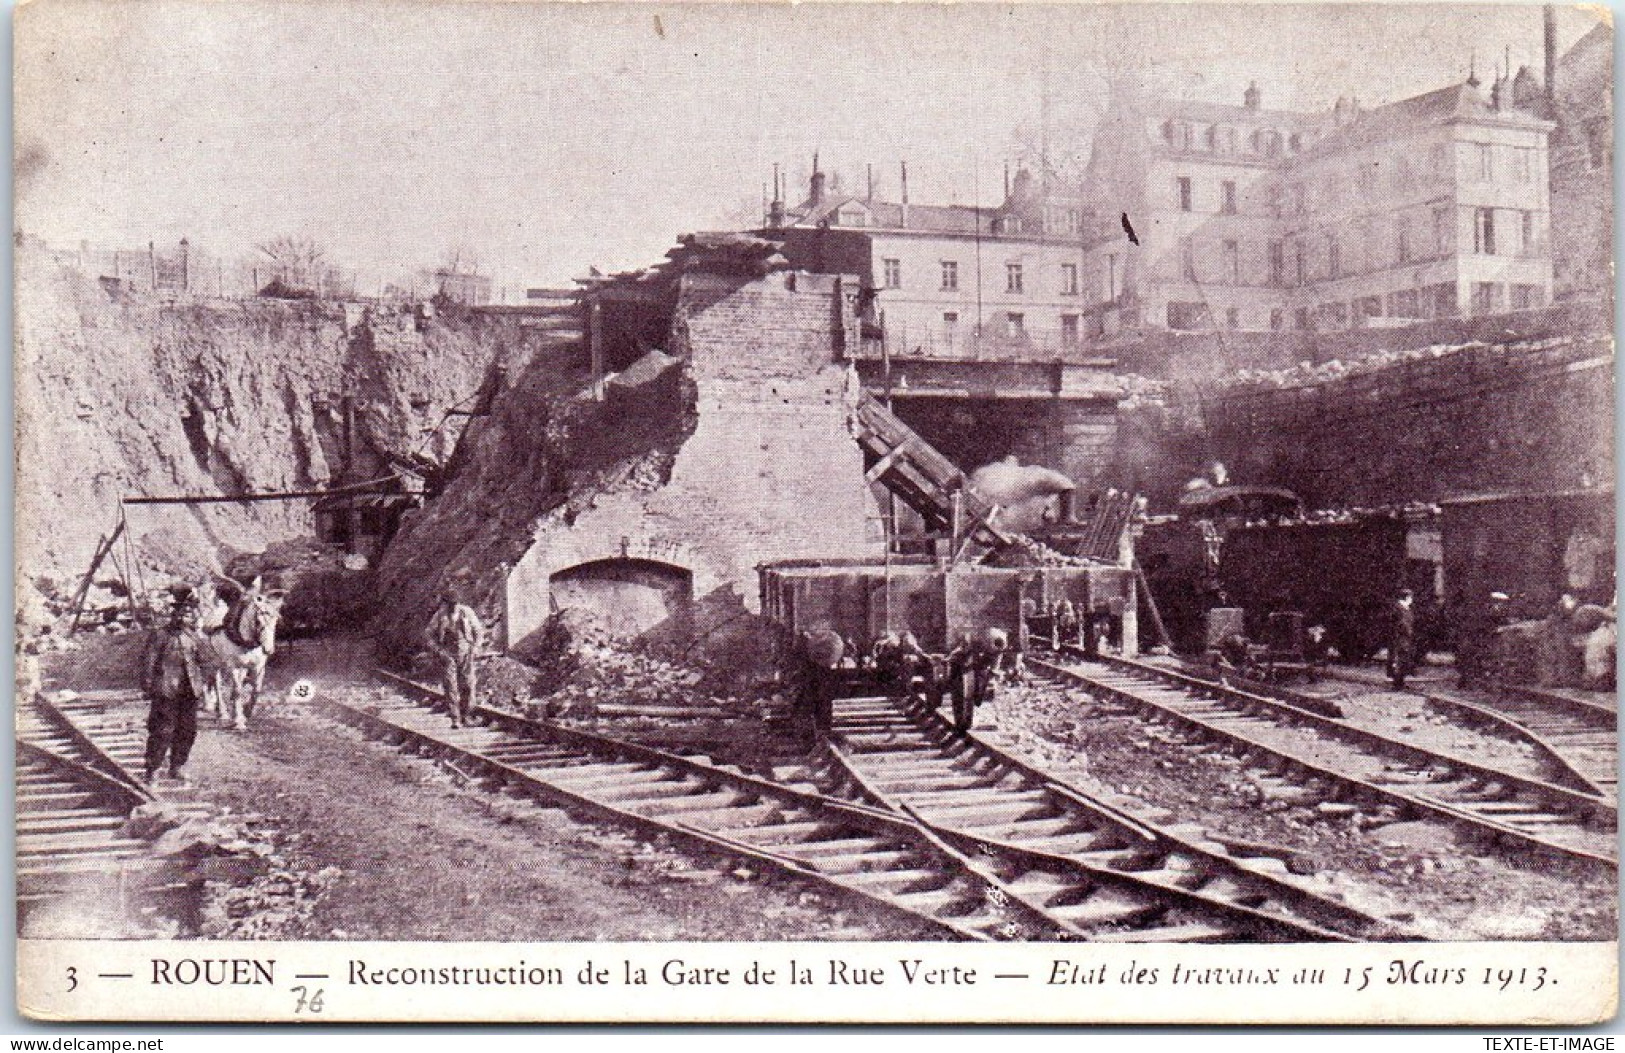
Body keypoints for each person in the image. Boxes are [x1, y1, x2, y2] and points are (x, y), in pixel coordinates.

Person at [140, 586, 207, 785]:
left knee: (188, 730)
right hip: (165, 689)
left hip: (189, 690)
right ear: (173, 614)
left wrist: (203, 682)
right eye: (180, 613)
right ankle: (152, 769)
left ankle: (177, 766)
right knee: (162, 730)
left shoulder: (193, 636)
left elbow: (205, 660)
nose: (184, 617)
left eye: (188, 613)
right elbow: (148, 661)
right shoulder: (160, 635)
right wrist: (147, 685)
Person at [425, 588, 486, 727]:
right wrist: (439, 650)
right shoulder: (440, 616)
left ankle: (467, 715)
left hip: (466, 651)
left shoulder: (467, 613)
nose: (454, 606)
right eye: (450, 604)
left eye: (455, 603)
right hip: (448, 653)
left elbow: (478, 631)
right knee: (450, 686)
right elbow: (428, 634)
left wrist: (476, 647)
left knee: (468, 684)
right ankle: (455, 719)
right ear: (445, 604)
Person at [1387, 589, 1417, 689]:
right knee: (1398, 659)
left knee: (1404, 659)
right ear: (1407, 597)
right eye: (1410, 597)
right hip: (1399, 638)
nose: (1412, 600)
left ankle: (1401, 681)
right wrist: (1408, 632)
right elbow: (1401, 624)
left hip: (1405, 638)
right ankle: (1397, 683)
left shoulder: (1406, 608)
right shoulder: (1398, 608)